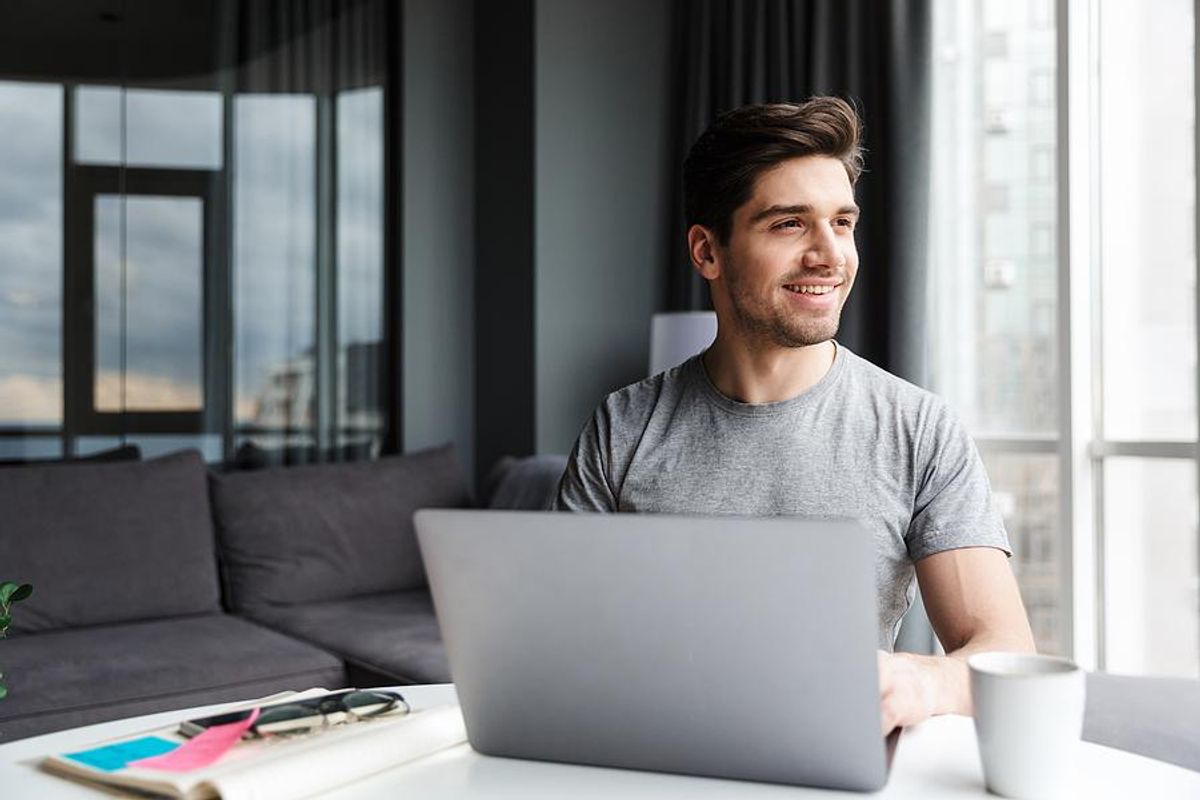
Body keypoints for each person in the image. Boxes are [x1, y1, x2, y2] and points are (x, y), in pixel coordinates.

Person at [552, 97, 1036, 735]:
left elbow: (1003, 653)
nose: (829, 254)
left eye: (842, 222)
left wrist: (919, 681)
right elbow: (560, 643)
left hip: (831, 763)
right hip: (657, 758)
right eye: (789, 224)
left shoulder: (918, 429)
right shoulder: (623, 426)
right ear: (707, 252)